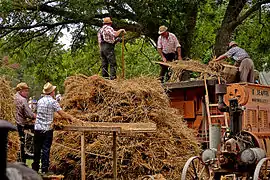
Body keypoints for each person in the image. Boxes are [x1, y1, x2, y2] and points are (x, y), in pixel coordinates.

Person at [32, 82, 76, 174]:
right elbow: (62, 113)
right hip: (47, 129)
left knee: (37, 149)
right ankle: (44, 169)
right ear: (52, 92)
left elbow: (37, 113)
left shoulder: (40, 101)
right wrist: (72, 118)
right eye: (54, 91)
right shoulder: (53, 102)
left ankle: (35, 168)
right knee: (46, 149)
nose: (54, 92)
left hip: (37, 128)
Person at [14, 82, 36, 164]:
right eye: (25, 91)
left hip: (13, 123)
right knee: (21, 143)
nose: (27, 93)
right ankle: (22, 162)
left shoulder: (13, 97)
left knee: (15, 144)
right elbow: (28, 114)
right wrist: (35, 116)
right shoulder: (22, 100)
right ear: (20, 91)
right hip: (19, 124)